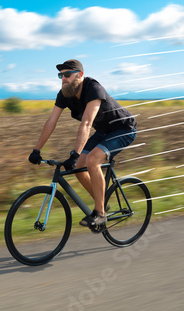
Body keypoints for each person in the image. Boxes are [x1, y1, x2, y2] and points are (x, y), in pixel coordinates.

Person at [28, 59, 137, 227]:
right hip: (103, 132)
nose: (63, 78)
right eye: (60, 75)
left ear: (80, 75)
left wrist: (75, 152)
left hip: (124, 128)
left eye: (67, 74)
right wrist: (37, 149)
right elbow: (51, 121)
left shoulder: (93, 88)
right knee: (79, 167)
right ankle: (102, 203)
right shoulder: (64, 94)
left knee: (93, 160)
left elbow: (86, 123)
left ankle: (100, 213)